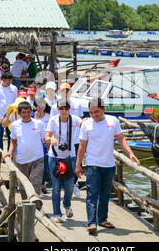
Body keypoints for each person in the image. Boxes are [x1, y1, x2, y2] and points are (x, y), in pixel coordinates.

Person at [76, 97, 140, 234]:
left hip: (109, 165)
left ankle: (102, 219)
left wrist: (131, 154)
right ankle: (91, 223)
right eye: (91, 112)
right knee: (92, 195)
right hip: (93, 165)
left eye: (97, 112)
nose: (94, 115)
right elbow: (82, 147)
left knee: (105, 194)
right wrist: (78, 165)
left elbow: (121, 139)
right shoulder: (86, 125)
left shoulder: (113, 121)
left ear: (103, 109)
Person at [45, 98, 82, 223]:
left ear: (69, 109)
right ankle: (57, 213)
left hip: (70, 156)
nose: (64, 110)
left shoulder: (75, 119)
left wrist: (88, 120)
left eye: (66, 108)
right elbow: (47, 136)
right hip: (55, 156)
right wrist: (51, 140)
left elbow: (85, 125)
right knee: (56, 186)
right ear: (57, 109)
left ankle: (67, 204)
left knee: (70, 185)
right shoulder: (53, 120)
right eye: (61, 108)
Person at [3, 101, 46, 200]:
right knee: (22, 185)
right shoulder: (15, 125)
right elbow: (13, 141)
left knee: (36, 182)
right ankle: (26, 204)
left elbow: (45, 139)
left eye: (28, 112)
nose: (26, 115)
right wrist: (10, 152)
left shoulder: (39, 124)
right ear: (19, 113)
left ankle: (36, 206)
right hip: (22, 160)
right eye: (24, 113)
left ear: (31, 112)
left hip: (38, 158)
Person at [49, 82, 84, 197]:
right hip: (61, 139)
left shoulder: (77, 103)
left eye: (67, 91)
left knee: (76, 163)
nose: (65, 92)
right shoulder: (55, 105)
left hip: (75, 138)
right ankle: (64, 185)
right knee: (61, 163)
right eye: (63, 91)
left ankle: (74, 184)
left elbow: (81, 120)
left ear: (71, 92)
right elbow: (52, 122)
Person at [34, 97, 51, 194]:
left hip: (46, 143)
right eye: (38, 106)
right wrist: (35, 118)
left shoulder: (49, 116)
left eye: (42, 105)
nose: (40, 108)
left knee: (46, 165)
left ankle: (42, 183)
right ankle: (37, 184)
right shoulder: (32, 116)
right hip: (35, 143)